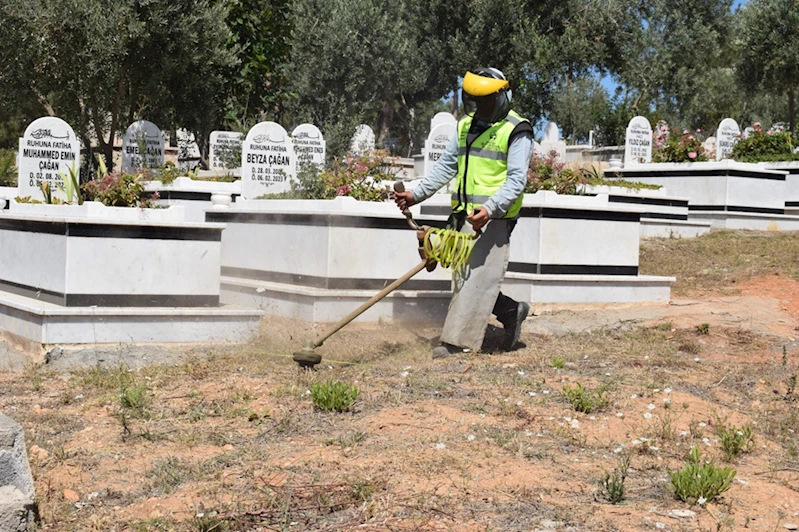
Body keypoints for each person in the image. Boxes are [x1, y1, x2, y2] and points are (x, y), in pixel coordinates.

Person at [395, 67, 534, 358]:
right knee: (468, 276)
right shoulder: (466, 126)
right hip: (464, 215)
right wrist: (416, 193)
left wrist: (491, 208)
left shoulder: (517, 130)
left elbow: (516, 180)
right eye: (474, 102)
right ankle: (511, 311)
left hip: (494, 217)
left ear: (502, 96)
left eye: (485, 101)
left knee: (474, 278)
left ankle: (457, 342)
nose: (480, 108)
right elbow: (448, 166)